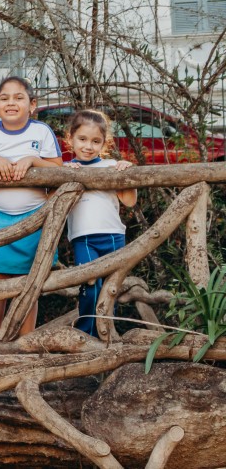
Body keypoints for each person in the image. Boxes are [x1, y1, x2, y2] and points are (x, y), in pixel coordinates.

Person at [0, 76, 63, 338]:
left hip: (34, 220)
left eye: (18, 97)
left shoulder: (41, 132)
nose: (11, 102)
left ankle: (25, 345)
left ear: (32, 104)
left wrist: (33, 160)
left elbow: (58, 168)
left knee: (29, 287)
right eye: (4, 98)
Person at [63, 109, 136, 337]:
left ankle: (105, 331)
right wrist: (64, 175)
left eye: (96, 141)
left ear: (104, 143)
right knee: (90, 285)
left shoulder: (111, 166)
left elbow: (130, 201)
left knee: (110, 288)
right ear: (70, 139)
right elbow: (51, 201)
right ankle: (86, 332)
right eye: (82, 139)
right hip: (83, 238)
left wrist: (126, 174)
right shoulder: (65, 169)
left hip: (113, 236)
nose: (88, 146)